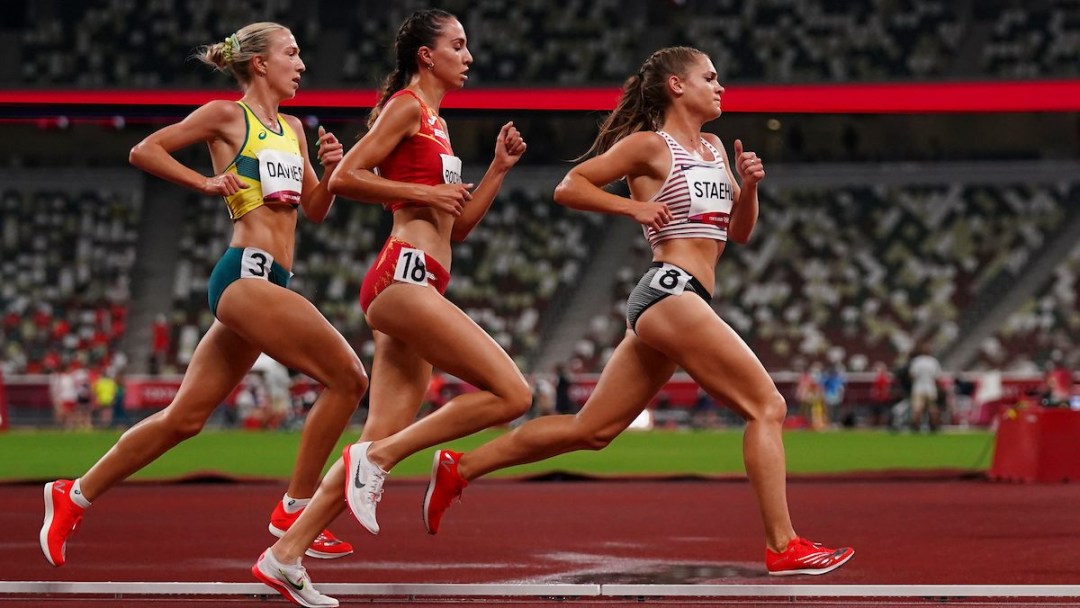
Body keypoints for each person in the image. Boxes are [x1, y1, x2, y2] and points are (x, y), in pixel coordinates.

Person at [423, 46, 853, 577]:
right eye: (710, 77)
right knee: (766, 406)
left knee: (592, 431)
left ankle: (461, 467)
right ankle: (782, 544)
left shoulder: (717, 148)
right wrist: (633, 206)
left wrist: (752, 191)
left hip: (679, 296)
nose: (721, 87)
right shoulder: (651, 146)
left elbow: (737, 234)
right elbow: (570, 186)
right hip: (671, 290)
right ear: (676, 85)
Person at [39, 22, 368, 570]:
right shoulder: (226, 115)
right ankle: (296, 509)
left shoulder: (291, 128)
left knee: (184, 418)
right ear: (260, 63)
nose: (303, 64)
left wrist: (330, 173)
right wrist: (206, 184)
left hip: (271, 283)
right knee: (349, 378)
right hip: (244, 276)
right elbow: (145, 150)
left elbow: (311, 209)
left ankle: (71, 496)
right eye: (292, 53)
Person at [251, 10, 529, 607]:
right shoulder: (405, 107)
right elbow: (347, 176)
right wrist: (424, 191)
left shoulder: (439, 125)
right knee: (514, 394)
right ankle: (378, 461)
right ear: (426, 55)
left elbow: (456, 228)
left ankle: (285, 554)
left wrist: (498, 172)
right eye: (457, 45)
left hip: (426, 278)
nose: (469, 55)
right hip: (401, 280)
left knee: (380, 433)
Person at [908, 344, 942, 431]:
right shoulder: (933, 361)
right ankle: (934, 426)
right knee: (932, 408)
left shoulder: (916, 361)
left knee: (917, 408)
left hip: (918, 388)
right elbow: (937, 377)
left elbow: (912, 375)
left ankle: (915, 426)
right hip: (930, 388)